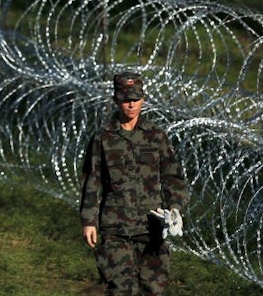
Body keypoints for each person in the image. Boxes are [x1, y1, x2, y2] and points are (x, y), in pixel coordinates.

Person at [79, 71, 188, 295]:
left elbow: (172, 175)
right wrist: (89, 221)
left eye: (135, 100)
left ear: (143, 100)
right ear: (115, 100)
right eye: (126, 100)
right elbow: (92, 180)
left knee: (152, 288)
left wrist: (176, 208)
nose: (131, 105)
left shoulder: (156, 136)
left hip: (151, 225)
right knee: (120, 289)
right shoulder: (104, 138)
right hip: (115, 226)